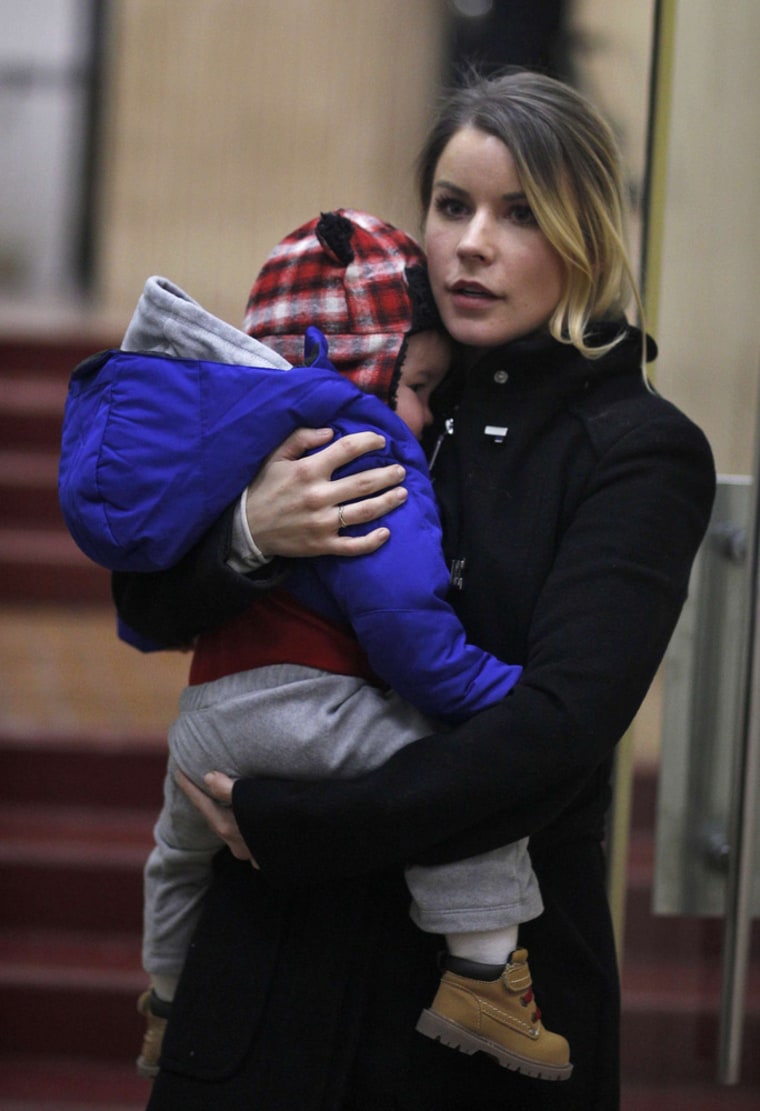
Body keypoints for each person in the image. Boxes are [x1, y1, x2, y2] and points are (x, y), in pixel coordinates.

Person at [106, 69, 715, 1110]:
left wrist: (297, 822)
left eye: (519, 213)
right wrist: (256, 529)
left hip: (489, 999)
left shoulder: (636, 450)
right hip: (276, 979)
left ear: (585, 236)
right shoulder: (357, 387)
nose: (471, 242)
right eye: (451, 205)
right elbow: (149, 608)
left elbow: (557, 734)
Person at [85, 210, 565, 1080]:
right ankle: (484, 975)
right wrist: (496, 696)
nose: (421, 413)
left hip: (202, 722)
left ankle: (161, 996)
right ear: (364, 363)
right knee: (462, 786)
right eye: (416, 385)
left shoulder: (234, 427)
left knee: (176, 851)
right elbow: (405, 631)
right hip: (301, 711)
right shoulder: (365, 447)